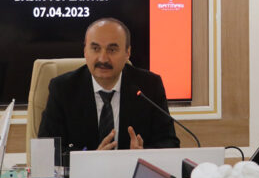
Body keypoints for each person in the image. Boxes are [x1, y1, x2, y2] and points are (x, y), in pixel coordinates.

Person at [38, 17, 179, 151]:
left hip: (131, 169)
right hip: (84, 169)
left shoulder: (149, 86)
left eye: (112, 50)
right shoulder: (63, 89)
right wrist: (89, 158)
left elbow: (169, 143)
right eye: (95, 48)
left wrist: (143, 153)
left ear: (127, 53)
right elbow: (46, 150)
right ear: (85, 51)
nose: (103, 59)